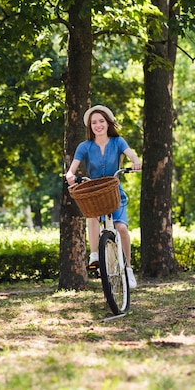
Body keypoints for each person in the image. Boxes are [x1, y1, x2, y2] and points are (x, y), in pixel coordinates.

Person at [65, 105, 142, 288]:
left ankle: (129, 269)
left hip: (114, 192)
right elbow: (72, 168)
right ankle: (94, 254)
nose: (98, 125)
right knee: (91, 214)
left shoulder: (118, 142)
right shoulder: (84, 146)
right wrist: (70, 175)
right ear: (90, 126)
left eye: (101, 121)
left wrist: (136, 162)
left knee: (121, 228)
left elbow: (130, 153)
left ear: (108, 124)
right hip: (94, 191)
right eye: (94, 122)